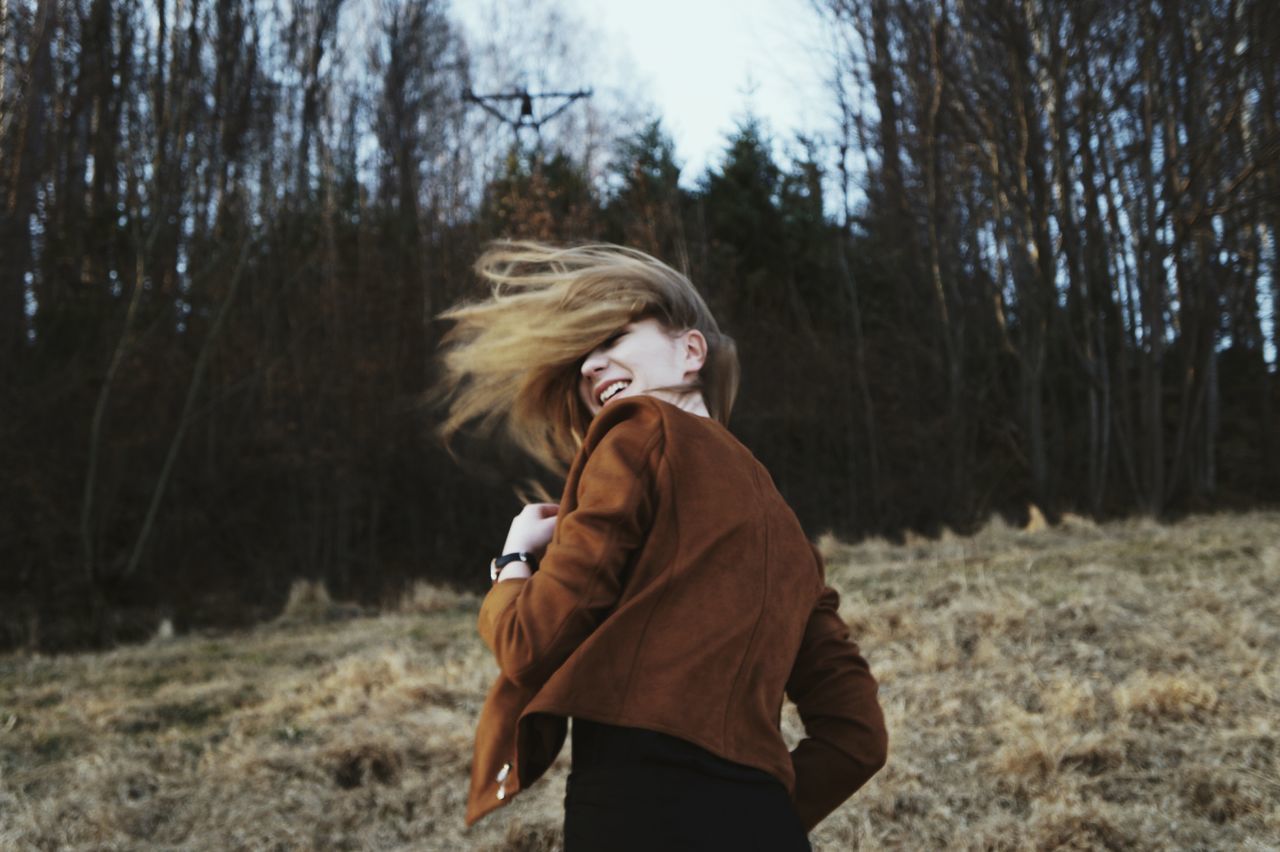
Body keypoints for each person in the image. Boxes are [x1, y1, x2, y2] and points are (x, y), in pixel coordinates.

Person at [433, 241, 887, 850]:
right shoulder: (791, 537)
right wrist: (759, 822)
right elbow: (858, 738)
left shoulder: (636, 432)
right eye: (582, 360)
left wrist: (513, 561)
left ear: (690, 350)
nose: (592, 367)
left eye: (613, 339)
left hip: (635, 810)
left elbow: (528, 642)